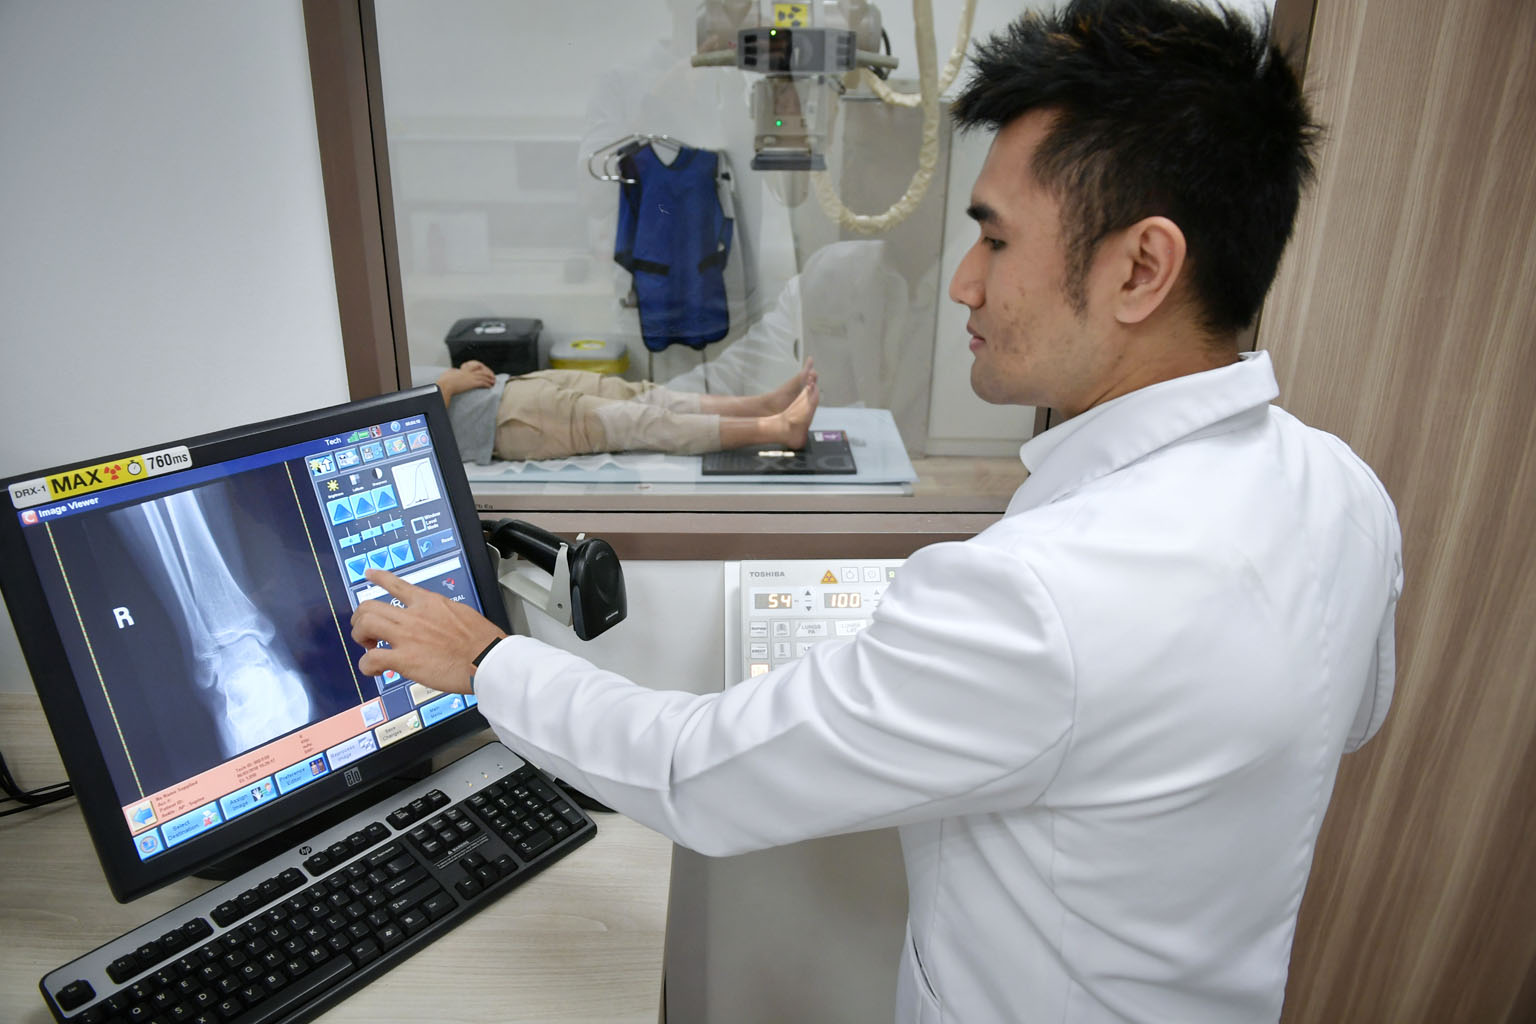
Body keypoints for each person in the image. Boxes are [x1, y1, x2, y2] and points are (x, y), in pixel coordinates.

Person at [353, 2, 1404, 1021]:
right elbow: (1342, 718)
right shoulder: (1343, 491)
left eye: (996, 241)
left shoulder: (1040, 598)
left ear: (1142, 268)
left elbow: (695, 774)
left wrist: (487, 661)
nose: (964, 283)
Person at [424, 358, 819, 462]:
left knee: (642, 396)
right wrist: (447, 386)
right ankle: (778, 428)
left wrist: (455, 377)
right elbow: (408, 422)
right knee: (638, 422)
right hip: (504, 423)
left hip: (505, 390)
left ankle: (763, 405)